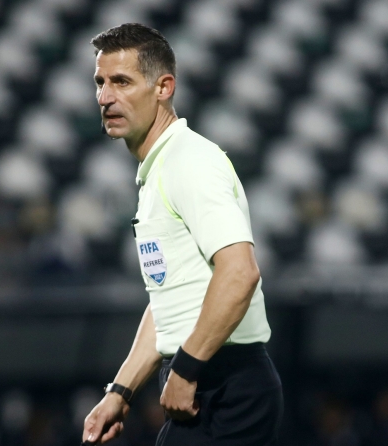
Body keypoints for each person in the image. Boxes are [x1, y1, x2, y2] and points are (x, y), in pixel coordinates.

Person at [81, 23, 283, 445]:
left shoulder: (189, 162)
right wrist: (120, 392)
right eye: (100, 83)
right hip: (210, 380)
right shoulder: (161, 168)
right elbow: (172, 305)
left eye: (121, 82)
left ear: (163, 87)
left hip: (225, 384)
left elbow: (240, 273)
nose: (105, 97)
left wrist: (187, 368)